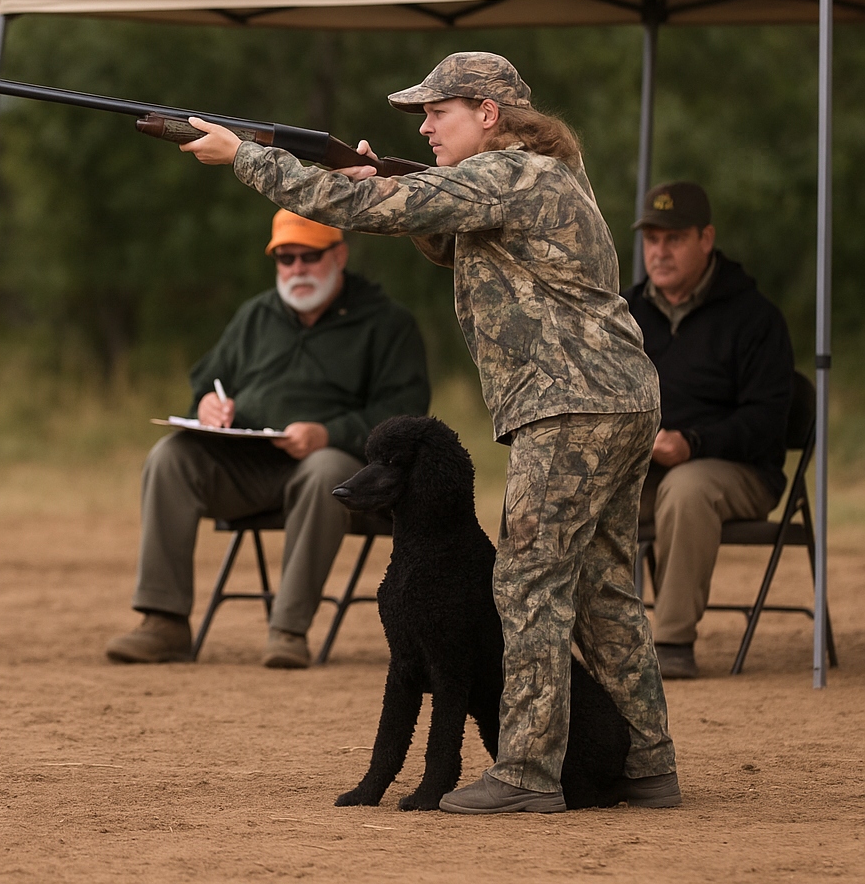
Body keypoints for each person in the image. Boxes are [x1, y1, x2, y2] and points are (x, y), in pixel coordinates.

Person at [180, 52, 678, 813]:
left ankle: (527, 773)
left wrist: (244, 156)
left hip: (570, 404)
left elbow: (366, 212)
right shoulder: (540, 175)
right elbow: (446, 236)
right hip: (614, 397)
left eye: (437, 113)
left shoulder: (507, 171)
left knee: (528, 582)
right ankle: (646, 764)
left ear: (488, 114)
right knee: (600, 585)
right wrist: (375, 180)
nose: (424, 127)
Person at [105, 209, 430, 670]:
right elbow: (207, 382)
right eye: (285, 258)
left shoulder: (387, 323)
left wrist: (327, 434)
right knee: (169, 457)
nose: (297, 269)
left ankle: (288, 630)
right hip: (249, 467)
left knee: (324, 471)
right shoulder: (256, 315)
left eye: (309, 256)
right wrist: (207, 405)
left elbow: (405, 417)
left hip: (339, 476)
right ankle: (164, 623)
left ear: (339, 255)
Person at [626, 181, 794, 680]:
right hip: (641, 470)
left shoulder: (756, 319)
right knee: (563, 485)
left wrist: (693, 443)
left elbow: (767, 420)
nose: (659, 251)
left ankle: (672, 642)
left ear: (706, 239)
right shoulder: (624, 313)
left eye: (674, 239)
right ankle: (561, 640)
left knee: (688, 488)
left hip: (738, 470)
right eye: (652, 239)